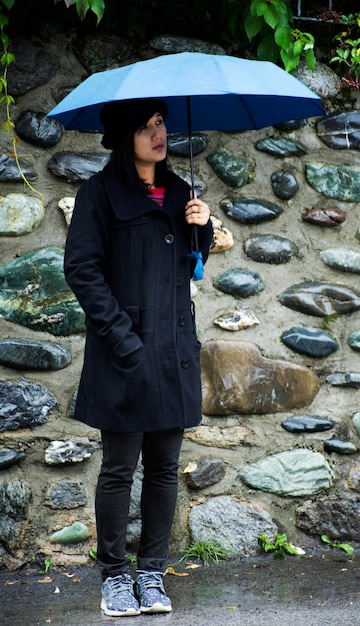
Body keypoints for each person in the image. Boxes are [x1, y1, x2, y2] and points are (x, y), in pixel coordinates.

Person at [64, 97, 213, 617]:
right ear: (125, 136)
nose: (159, 133)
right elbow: (82, 269)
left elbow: (190, 265)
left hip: (173, 353)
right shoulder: (99, 194)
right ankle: (114, 577)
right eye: (148, 126)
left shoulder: (179, 193)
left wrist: (204, 224)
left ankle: (152, 575)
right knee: (119, 469)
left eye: (162, 124)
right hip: (124, 354)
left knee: (165, 469)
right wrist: (122, 339)